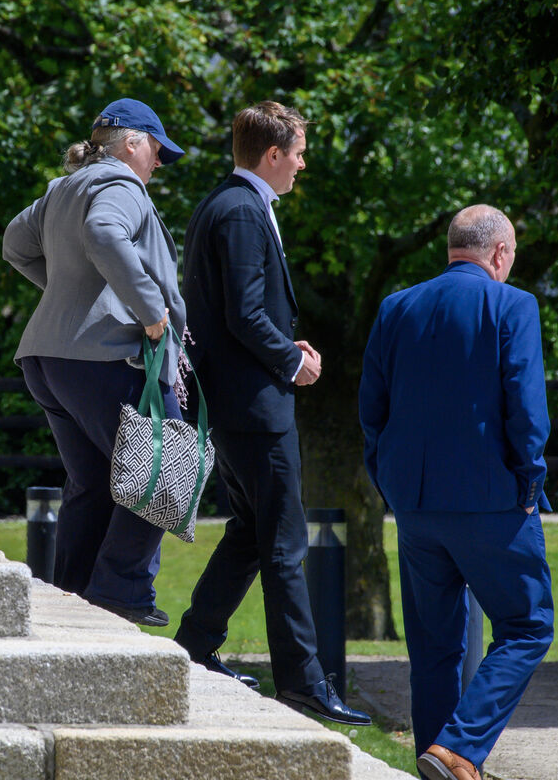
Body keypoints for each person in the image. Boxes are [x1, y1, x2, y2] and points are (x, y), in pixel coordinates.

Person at [173, 101, 370, 726]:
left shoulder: (227, 204)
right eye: (299, 152)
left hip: (238, 400)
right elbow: (243, 314)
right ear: (273, 154)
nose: (304, 163)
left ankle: (195, 646)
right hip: (253, 406)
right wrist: (293, 361)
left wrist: (288, 347)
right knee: (285, 544)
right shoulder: (238, 210)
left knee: (251, 534)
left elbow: (244, 311)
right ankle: (304, 683)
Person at [358, 204, 555, 780]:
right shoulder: (513, 304)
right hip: (494, 499)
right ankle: (460, 748)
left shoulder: (397, 306)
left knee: (434, 649)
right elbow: (526, 409)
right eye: (512, 256)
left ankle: (438, 759)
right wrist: (531, 479)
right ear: (499, 253)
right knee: (527, 627)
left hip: (415, 504)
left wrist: (390, 482)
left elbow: (372, 409)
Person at [2, 98, 188, 627]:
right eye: (156, 150)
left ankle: (75, 597)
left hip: (47, 359)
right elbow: (106, 234)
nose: (157, 163)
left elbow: (15, 244)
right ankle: (120, 591)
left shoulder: (64, 186)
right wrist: (150, 312)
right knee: (165, 474)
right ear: (132, 143)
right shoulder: (121, 185)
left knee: (91, 480)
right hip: (104, 357)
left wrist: (67, 293)